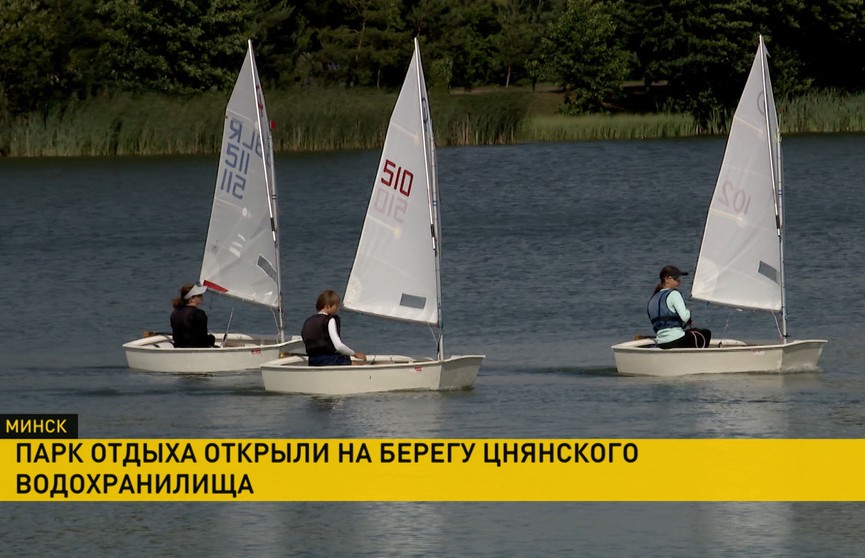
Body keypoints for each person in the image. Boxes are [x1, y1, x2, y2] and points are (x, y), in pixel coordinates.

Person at [647, 265, 712, 349]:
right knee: (706, 333)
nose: (679, 281)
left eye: (680, 278)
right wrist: (688, 312)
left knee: (693, 331)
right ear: (667, 279)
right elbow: (685, 317)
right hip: (676, 340)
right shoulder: (674, 294)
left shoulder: (652, 299)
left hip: (662, 342)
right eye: (676, 278)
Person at [301, 290, 367, 366]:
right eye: (336, 306)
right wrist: (354, 353)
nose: (338, 309)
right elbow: (339, 346)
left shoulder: (308, 321)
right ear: (328, 306)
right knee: (355, 364)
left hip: (313, 360)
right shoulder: (330, 320)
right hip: (329, 360)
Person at [170, 282, 216, 348]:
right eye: (199, 295)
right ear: (192, 299)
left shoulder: (175, 313)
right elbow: (203, 337)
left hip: (179, 347)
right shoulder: (199, 314)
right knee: (211, 338)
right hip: (195, 349)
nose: (202, 297)